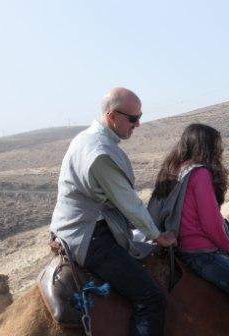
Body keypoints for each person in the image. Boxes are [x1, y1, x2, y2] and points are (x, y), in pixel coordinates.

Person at [50, 87, 176, 336]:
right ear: (111, 116)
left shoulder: (86, 139)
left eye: (139, 116)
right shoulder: (100, 153)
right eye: (133, 118)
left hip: (73, 228)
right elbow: (128, 202)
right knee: (151, 299)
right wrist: (157, 235)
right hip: (90, 237)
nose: (138, 124)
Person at [151, 123, 229, 335]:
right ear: (206, 147)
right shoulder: (201, 174)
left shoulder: (172, 172)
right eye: (216, 146)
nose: (220, 150)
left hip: (176, 250)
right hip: (202, 255)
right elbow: (211, 226)